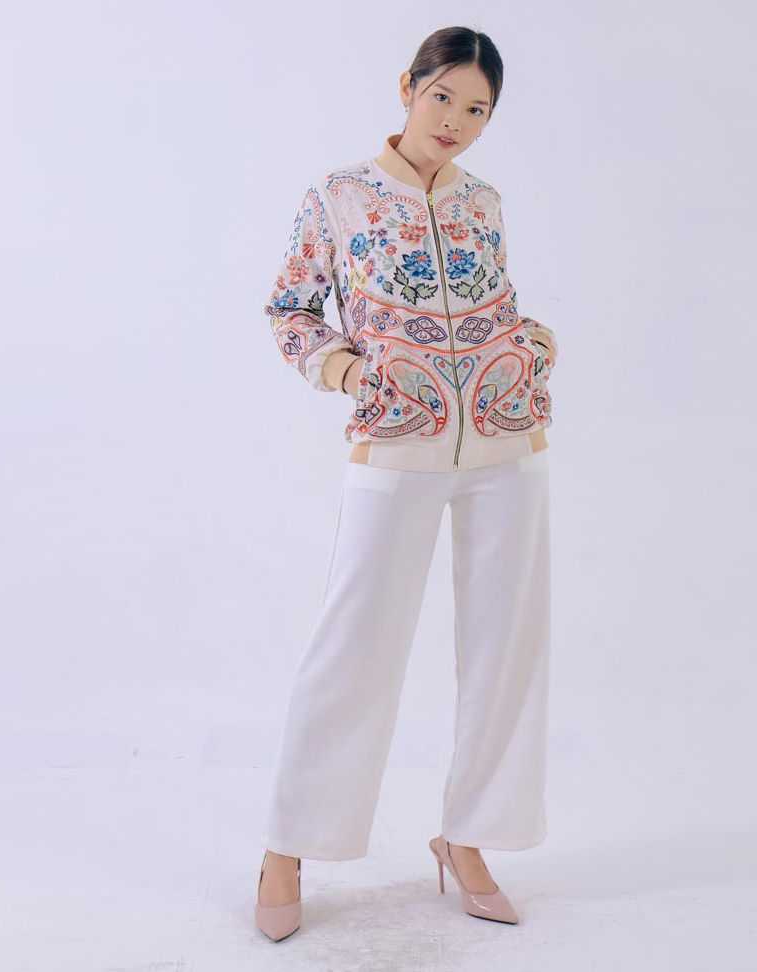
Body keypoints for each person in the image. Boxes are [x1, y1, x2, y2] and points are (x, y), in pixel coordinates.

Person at [255, 25, 559, 942]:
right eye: (443, 97)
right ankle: (287, 845)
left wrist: (533, 344)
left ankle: (465, 839)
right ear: (407, 87)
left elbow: (495, 298)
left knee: (505, 648)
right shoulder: (339, 195)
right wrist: (347, 371)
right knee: (356, 644)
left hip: (506, 438)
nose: (456, 120)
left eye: (477, 109)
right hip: (395, 438)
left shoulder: (483, 200)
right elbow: (290, 307)